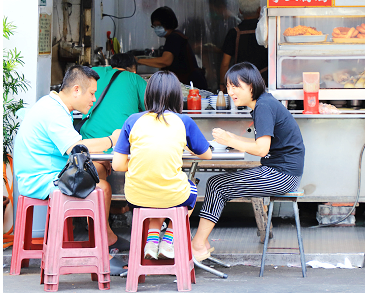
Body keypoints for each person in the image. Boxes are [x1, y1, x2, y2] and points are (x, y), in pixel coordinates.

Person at [191, 62, 304, 261]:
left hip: (282, 175)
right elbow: (259, 143)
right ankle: (202, 243)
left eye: (236, 86)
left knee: (217, 185)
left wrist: (231, 140)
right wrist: (230, 138)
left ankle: (198, 244)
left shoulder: (263, 106)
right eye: (228, 86)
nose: (231, 91)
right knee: (217, 184)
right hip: (280, 171)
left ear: (251, 86)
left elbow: (262, 149)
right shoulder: (263, 103)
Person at [13, 65, 127, 251]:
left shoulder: (52, 105)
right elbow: (76, 148)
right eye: (91, 93)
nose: (94, 99)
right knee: (104, 188)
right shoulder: (53, 112)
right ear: (76, 90)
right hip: (39, 179)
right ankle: (103, 240)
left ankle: (97, 232)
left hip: (47, 170)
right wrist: (111, 140)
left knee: (99, 167)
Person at [112, 71, 212, 259]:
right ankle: (168, 240)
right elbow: (206, 154)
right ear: (177, 96)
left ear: (148, 95)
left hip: (135, 197)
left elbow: (118, 165)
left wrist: (142, 163)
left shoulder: (132, 121)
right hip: (172, 195)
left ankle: (152, 240)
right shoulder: (183, 121)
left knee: (155, 193)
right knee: (190, 190)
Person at [80, 53, 147, 174]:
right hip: (120, 147)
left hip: (89, 146)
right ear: (133, 69)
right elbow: (153, 108)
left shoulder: (93, 72)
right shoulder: (134, 78)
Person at [138, 6, 208, 90]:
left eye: (159, 26)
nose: (156, 29)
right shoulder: (175, 36)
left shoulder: (174, 37)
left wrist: (138, 61)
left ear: (167, 23)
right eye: (154, 26)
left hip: (191, 84)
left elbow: (165, 61)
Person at [219, 0, 269, 93]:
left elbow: (225, 64)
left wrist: (223, 84)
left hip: (241, 84)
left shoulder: (234, 33)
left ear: (240, 11)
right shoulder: (268, 31)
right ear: (260, 10)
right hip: (265, 82)